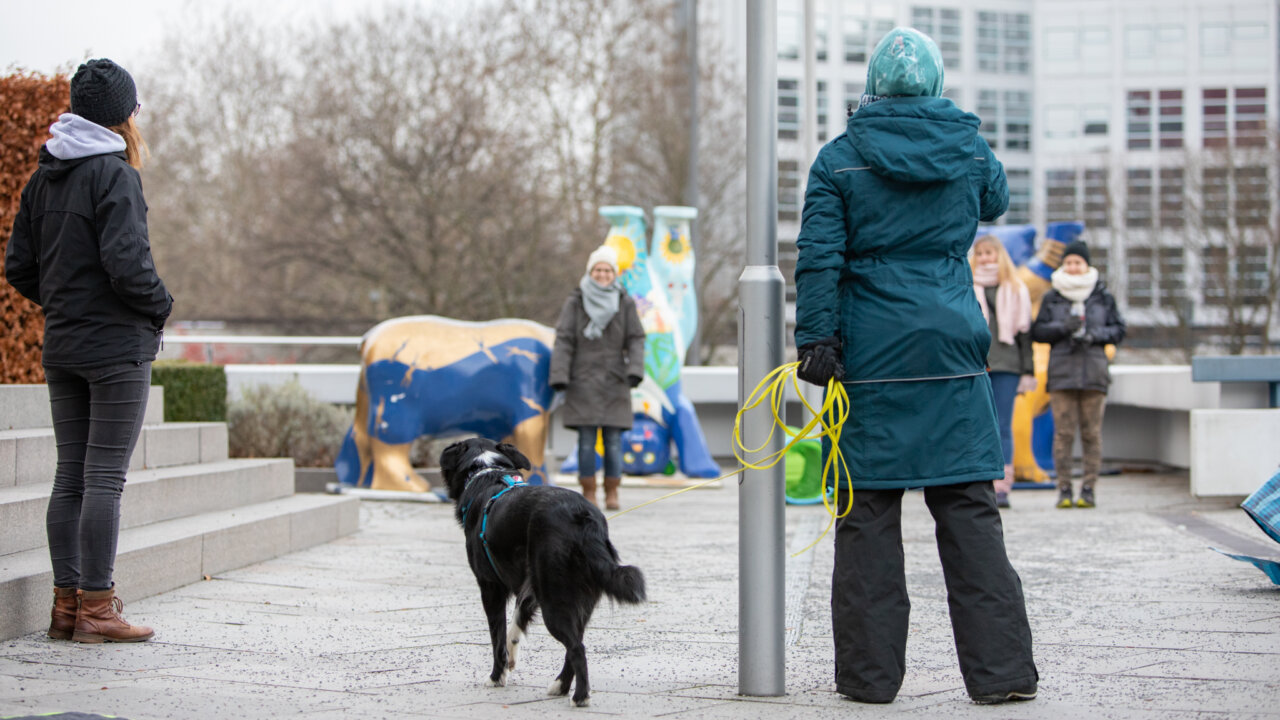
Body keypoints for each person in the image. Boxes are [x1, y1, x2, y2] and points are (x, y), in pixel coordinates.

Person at [793, 28, 1037, 705]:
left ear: (870, 87)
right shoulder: (967, 146)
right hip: (951, 348)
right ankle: (1004, 676)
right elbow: (996, 201)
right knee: (968, 509)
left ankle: (869, 681)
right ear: (933, 86)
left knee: (865, 516)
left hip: (870, 356)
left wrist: (816, 339)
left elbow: (819, 257)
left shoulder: (838, 159)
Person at [5, 59, 172, 643]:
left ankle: (67, 609)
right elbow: (130, 267)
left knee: (69, 479)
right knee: (104, 480)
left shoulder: (40, 177)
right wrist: (161, 305)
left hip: (63, 345)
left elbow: (18, 267)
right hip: (116, 349)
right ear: (121, 116)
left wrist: (61, 301)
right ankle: (99, 610)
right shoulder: (116, 176)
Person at [548, 246, 645, 510]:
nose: (603, 274)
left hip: (616, 381)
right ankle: (588, 491)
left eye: (607, 270)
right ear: (591, 272)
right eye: (598, 269)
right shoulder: (575, 301)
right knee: (587, 442)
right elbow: (564, 339)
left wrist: (635, 370)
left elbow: (636, 338)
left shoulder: (624, 302)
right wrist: (560, 375)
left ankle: (612, 491)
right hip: (583, 380)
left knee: (614, 442)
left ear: (614, 274)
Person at [1030, 239, 1125, 509]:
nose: (1072, 267)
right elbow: (1038, 331)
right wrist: (1062, 327)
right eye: (1068, 262)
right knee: (1063, 434)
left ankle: (1088, 488)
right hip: (1061, 373)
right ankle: (1063, 488)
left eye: (1077, 262)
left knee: (1091, 434)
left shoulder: (1102, 296)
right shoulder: (1052, 296)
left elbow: (1119, 330)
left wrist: (1095, 335)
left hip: (1093, 372)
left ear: (1087, 265)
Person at [970, 235, 1036, 509]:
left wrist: (1027, 371)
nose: (985, 258)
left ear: (1000, 255)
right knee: (975, 425)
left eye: (990, 253)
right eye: (981, 253)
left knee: (1003, 426)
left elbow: (1025, 335)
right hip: (975, 366)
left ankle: (1002, 486)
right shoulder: (966, 287)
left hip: (1008, 365)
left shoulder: (1016, 288)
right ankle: (976, 482)